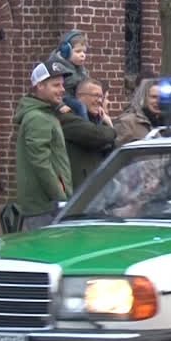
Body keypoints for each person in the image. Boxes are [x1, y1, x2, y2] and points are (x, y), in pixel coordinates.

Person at [14, 61, 73, 230]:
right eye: (56, 85)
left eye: (62, 85)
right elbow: (41, 163)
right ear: (40, 85)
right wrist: (61, 198)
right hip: (46, 208)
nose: (62, 89)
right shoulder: (37, 117)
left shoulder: (46, 114)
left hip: (49, 206)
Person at [59, 78, 116, 187]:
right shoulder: (68, 118)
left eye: (101, 97)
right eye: (96, 96)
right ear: (80, 96)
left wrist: (109, 125)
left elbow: (113, 153)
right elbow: (97, 135)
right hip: (77, 190)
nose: (100, 101)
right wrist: (112, 129)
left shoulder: (98, 121)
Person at [46, 29, 90, 118]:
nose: (82, 55)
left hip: (75, 97)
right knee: (80, 106)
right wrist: (60, 105)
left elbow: (87, 84)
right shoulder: (57, 67)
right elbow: (50, 91)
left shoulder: (81, 68)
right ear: (66, 51)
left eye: (84, 52)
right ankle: (84, 125)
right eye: (78, 51)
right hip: (63, 98)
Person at [114, 78, 163, 146]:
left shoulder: (169, 124)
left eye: (161, 97)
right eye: (154, 97)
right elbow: (118, 150)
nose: (158, 101)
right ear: (143, 98)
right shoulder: (127, 122)